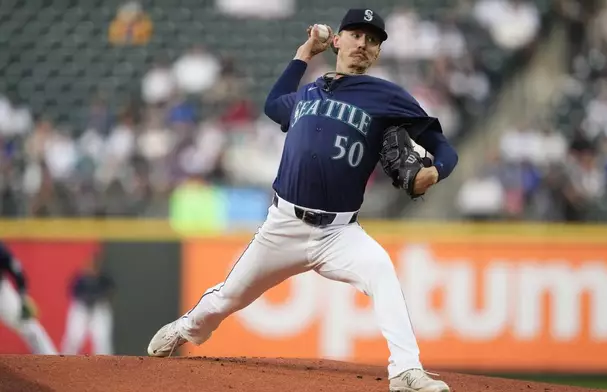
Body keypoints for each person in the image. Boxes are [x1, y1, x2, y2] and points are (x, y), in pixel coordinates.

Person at [147, 9, 457, 392]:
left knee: (381, 271)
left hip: (340, 233)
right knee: (228, 297)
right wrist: (304, 53)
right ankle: (185, 328)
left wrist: (436, 171)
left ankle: (406, 371)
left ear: (376, 53)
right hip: (283, 225)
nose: (363, 44)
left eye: (372, 40)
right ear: (338, 41)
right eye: (356, 35)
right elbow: (274, 102)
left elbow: (444, 148)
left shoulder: (387, 96)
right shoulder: (309, 90)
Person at [0, 242, 58, 355]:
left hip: (2, 294)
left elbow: (15, 270)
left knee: (28, 326)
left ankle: (52, 359)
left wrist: (23, 296)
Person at [60, 256, 115, 355]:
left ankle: (105, 366)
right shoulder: (80, 278)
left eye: (94, 267)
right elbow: (72, 292)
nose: (91, 269)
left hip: (98, 309)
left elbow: (110, 291)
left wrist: (97, 297)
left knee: (101, 339)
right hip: (81, 309)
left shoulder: (104, 279)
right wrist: (86, 298)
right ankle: (64, 362)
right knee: (74, 338)